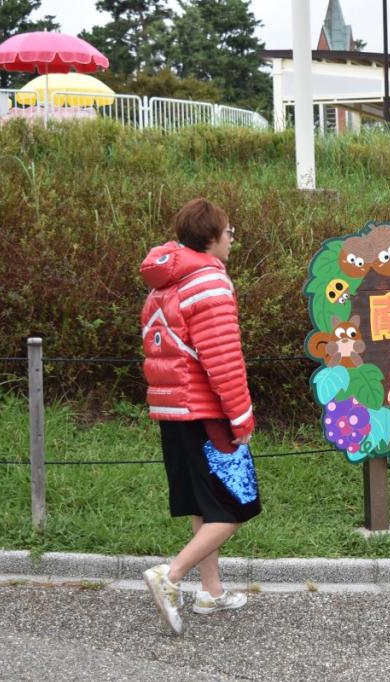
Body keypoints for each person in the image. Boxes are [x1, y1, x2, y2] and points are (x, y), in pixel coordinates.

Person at [139, 197, 259, 634]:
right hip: (207, 413)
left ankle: (210, 592)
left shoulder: (164, 285)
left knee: (202, 504)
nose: (232, 239)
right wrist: (242, 419)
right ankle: (169, 576)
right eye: (229, 232)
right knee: (236, 505)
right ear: (210, 237)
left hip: (172, 411)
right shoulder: (209, 283)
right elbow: (223, 360)